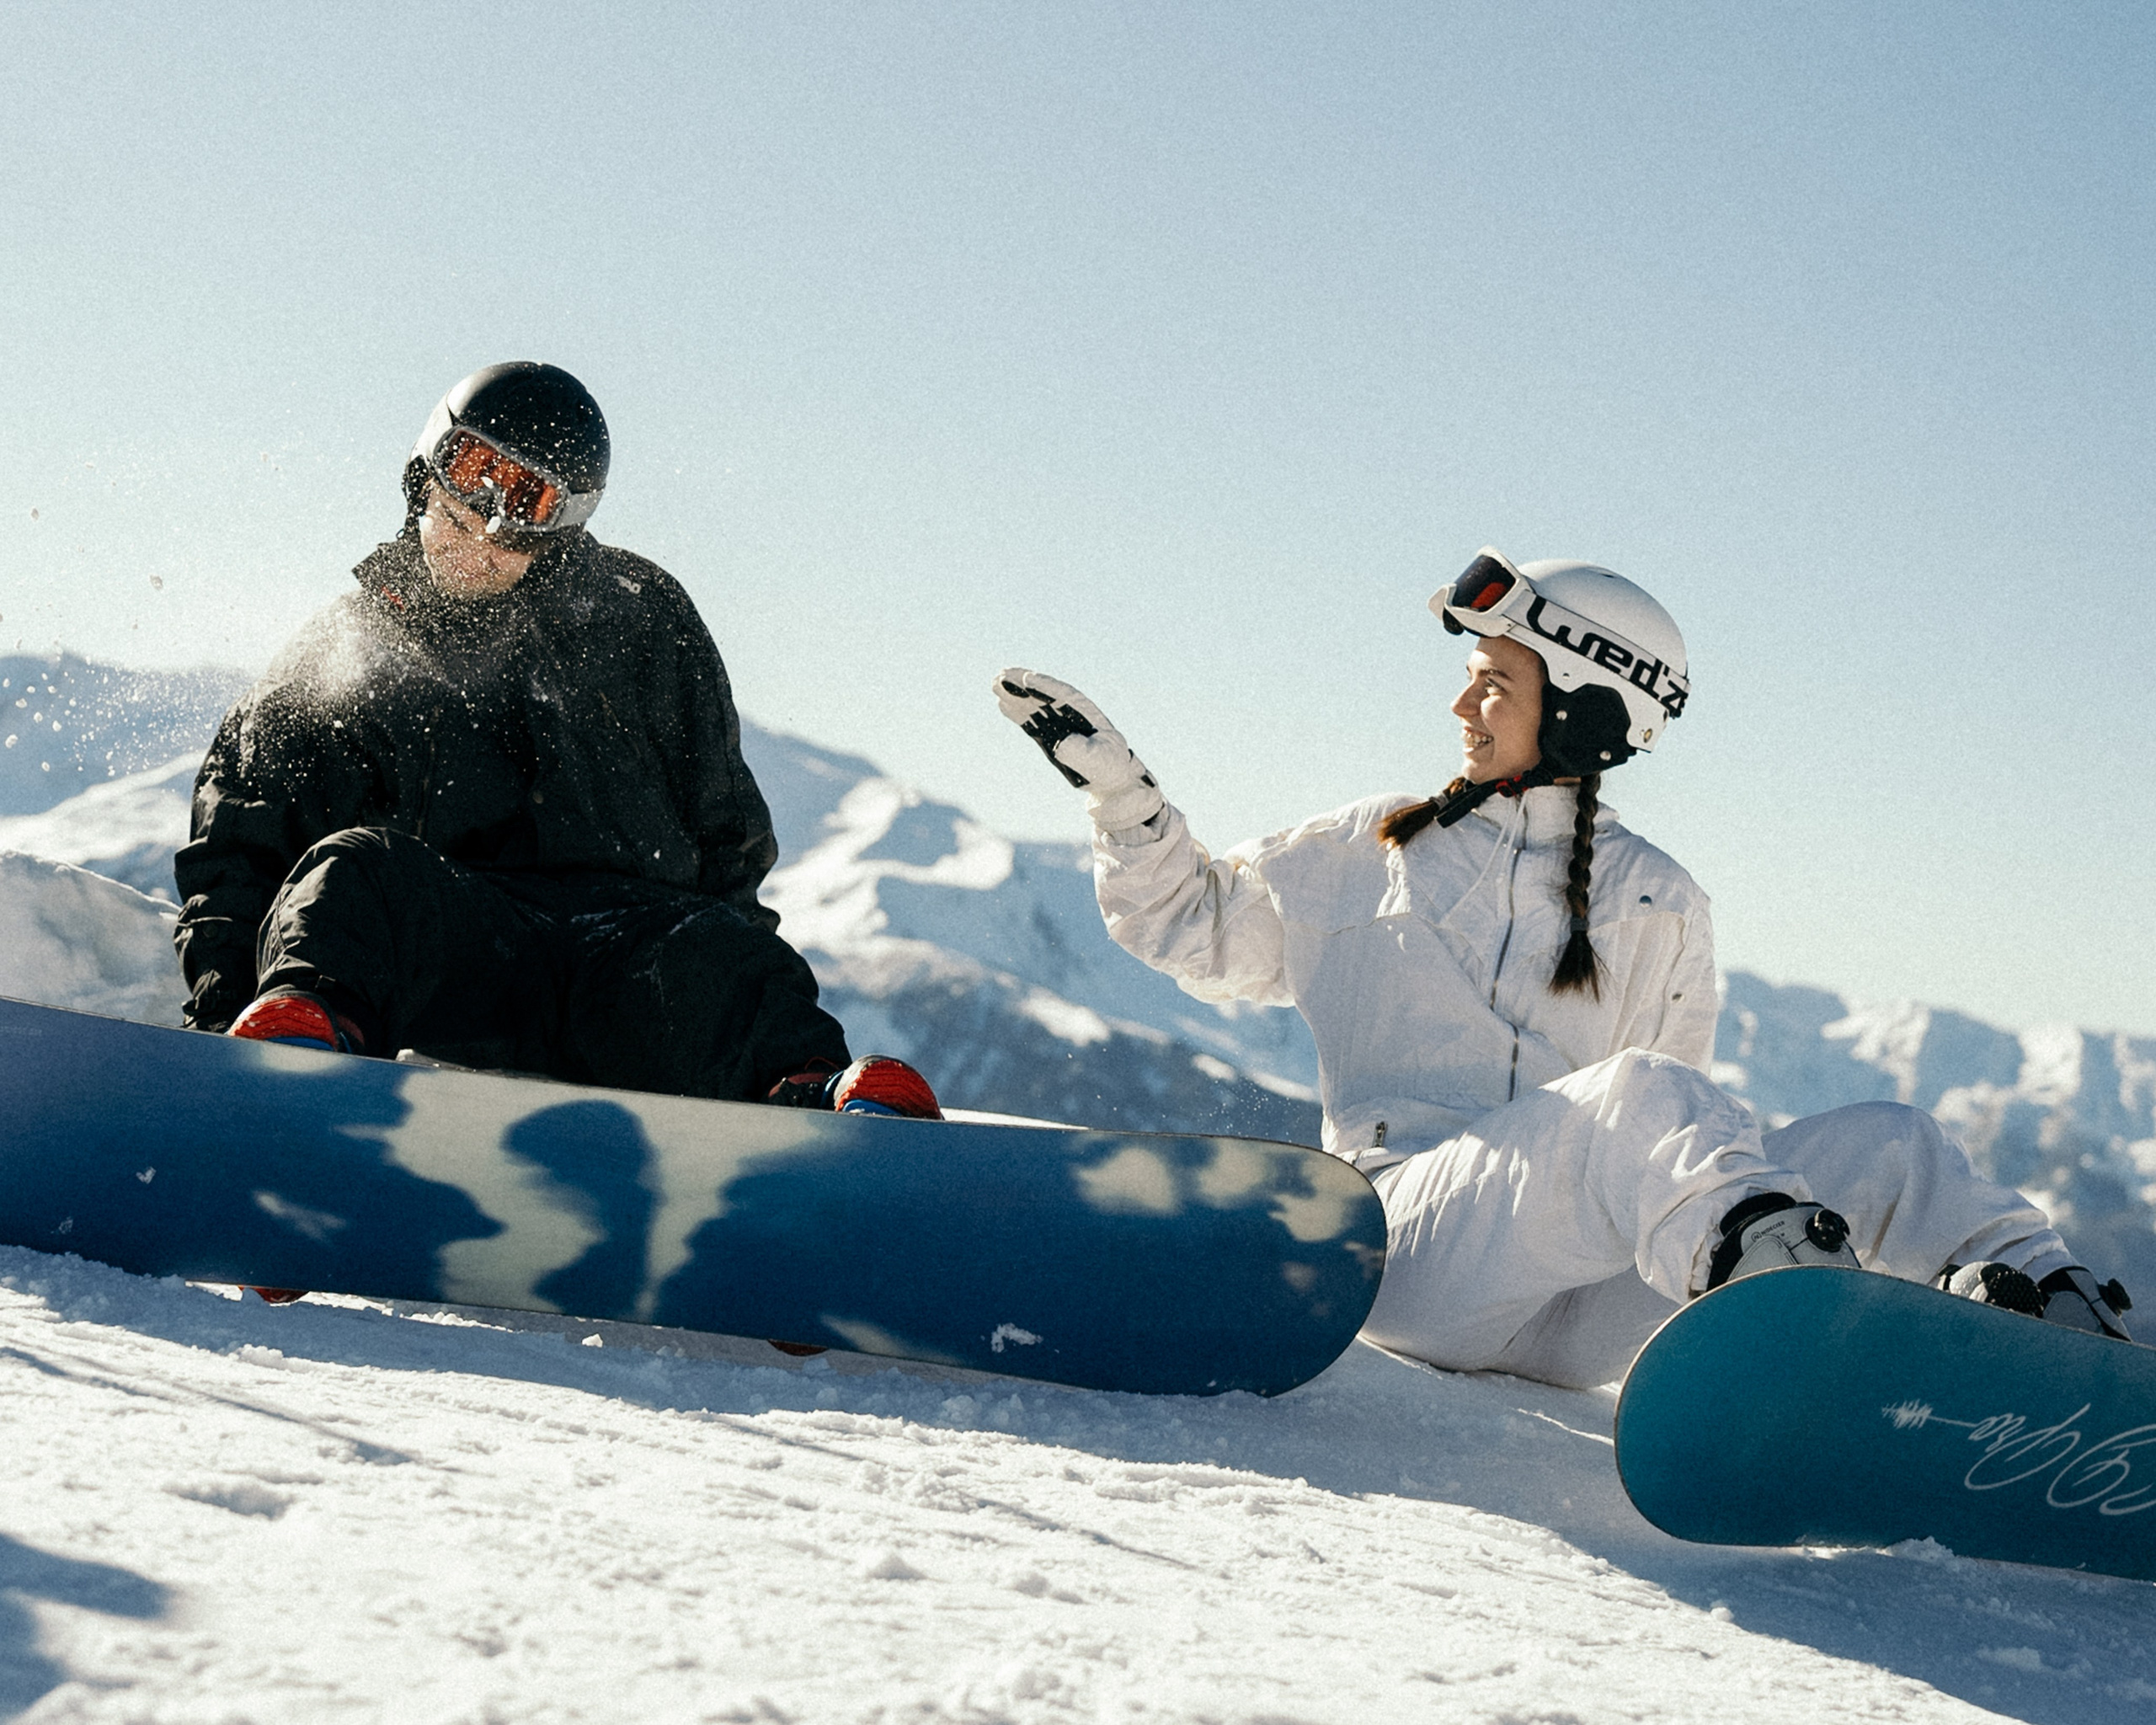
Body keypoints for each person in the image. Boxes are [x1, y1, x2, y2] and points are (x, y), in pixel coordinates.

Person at [993, 547, 2132, 1390]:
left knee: (1892, 1143)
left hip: (1579, 1305)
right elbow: (1194, 927)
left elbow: (1675, 1138)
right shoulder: (1370, 847)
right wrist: (1122, 799)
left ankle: (2068, 1345)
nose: (1461, 704)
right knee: (1637, 1091)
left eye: (1495, 680)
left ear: (1584, 712)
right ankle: (1795, 1342)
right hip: (1412, 1255)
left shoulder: (1660, 899)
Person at [176, 360, 939, 1138]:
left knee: (723, 949)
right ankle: (301, 1052)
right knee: (352, 874)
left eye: (525, 505)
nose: (483, 532)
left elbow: (724, 830)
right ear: (426, 474)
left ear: (563, 525)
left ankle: (815, 1110)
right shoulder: (344, 651)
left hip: (629, 957)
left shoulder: (644, 616)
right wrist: (217, 1028)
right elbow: (242, 843)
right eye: (469, 485)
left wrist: (736, 989)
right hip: (460, 948)